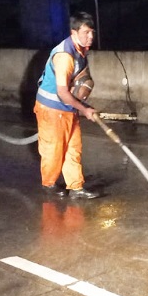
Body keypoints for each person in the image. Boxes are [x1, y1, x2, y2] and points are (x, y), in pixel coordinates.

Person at [34, 11, 100, 199]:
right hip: (51, 109)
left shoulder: (81, 51)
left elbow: (83, 77)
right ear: (74, 32)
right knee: (54, 149)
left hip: (68, 108)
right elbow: (62, 92)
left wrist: (84, 90)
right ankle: (49, 184)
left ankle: (76, 187)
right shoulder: (65, 56)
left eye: (92, 32)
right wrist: (85, 109)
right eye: (86, 32)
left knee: (73, 148)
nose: (91, 37)